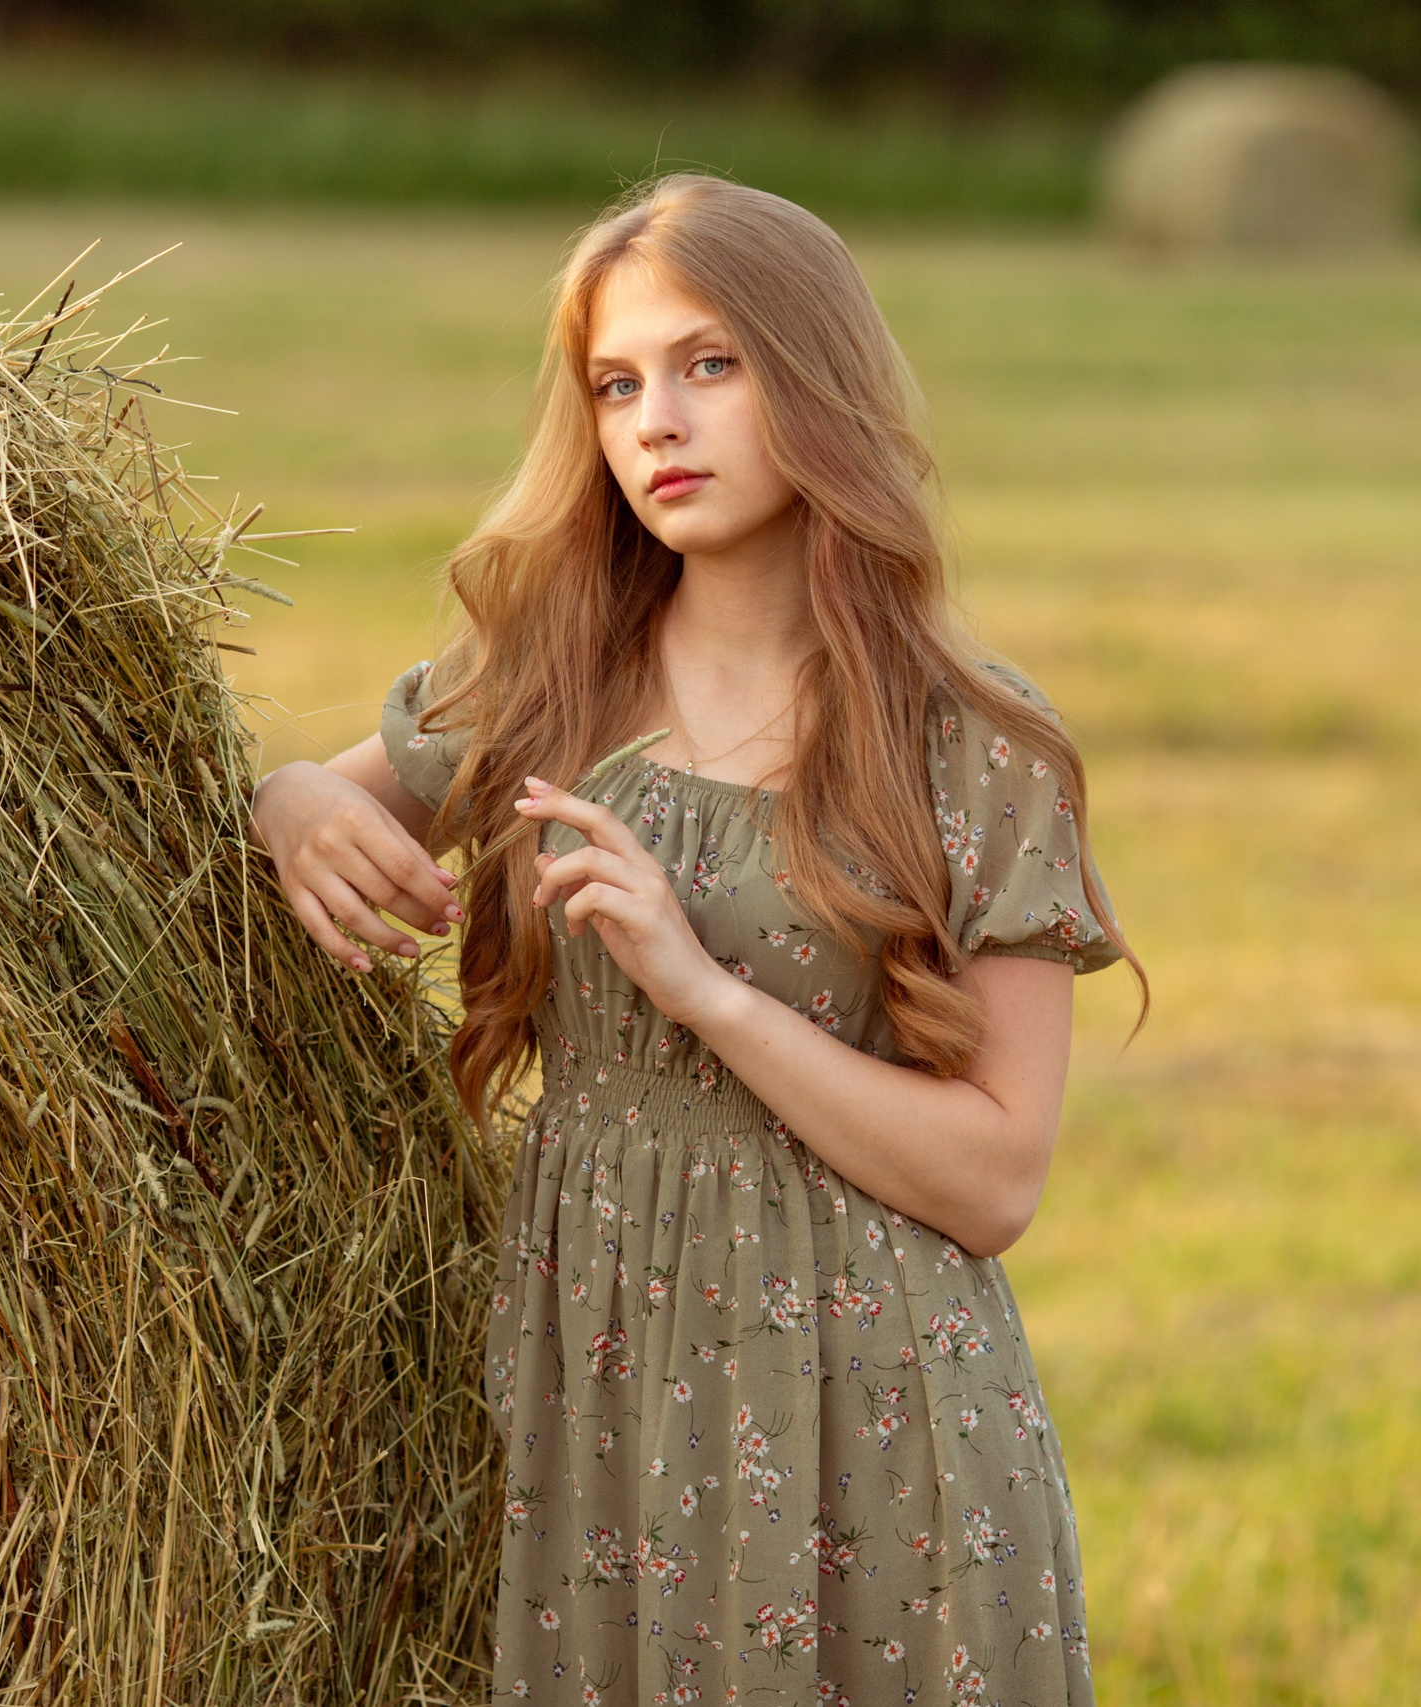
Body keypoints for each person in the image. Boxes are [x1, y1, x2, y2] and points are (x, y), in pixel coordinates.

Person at [251, 173, 1139, 1707]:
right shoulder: (548, 684)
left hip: (878, 1419)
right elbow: (327, 810)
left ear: (820, 378)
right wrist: (278, 801)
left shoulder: (975, 748)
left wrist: (702, 989)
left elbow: (997, 1177)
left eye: (709, 365)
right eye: (618, 383)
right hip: (589, 1387)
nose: (657, 420)